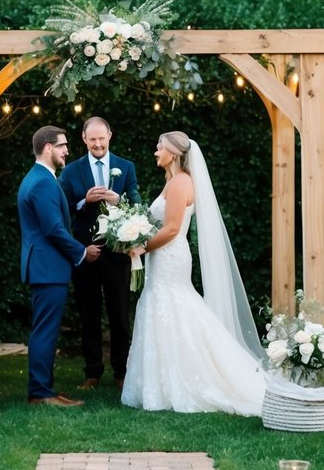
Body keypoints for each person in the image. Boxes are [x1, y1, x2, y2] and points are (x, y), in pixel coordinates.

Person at [121, 130, 265, 414]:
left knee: (173, 307)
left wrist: (142, 248)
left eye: (159, 147)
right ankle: (159, 384)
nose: (155, 152)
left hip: (169, 256)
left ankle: (187, 381)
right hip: (163, 256)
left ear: (173, 153)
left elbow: (173, 229)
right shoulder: (172, 182)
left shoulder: (180, 184)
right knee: (164, 306)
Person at [18, 125, 101, 406]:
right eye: (63, 145)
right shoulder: (42, 181)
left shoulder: (41, 178)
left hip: (46, 266)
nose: (67, 150)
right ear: (48, 148)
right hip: (47, 266)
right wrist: (81, 252)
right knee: (45, 330)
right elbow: (53, 229)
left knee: (45, 329)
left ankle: (44, 389)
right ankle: (40, 393)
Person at [58, 115, 141, 389]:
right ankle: (92, 372)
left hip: (117, 253)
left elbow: (137, 203)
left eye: (101, 139)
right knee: (88, 314)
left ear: (109, 136)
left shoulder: (125, 167)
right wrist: (84, 201)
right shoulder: (70, 171)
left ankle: (122, 372)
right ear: (84, 139)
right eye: (92, 139)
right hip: (86, 253)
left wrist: (120, 200)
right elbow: (62, 209)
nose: (97, 144)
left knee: (119, 314)